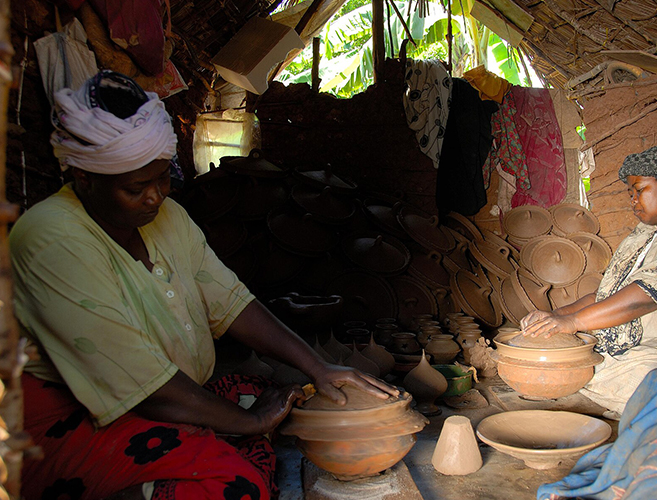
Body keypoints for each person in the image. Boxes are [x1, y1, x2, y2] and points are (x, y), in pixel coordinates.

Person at [10, 71, 397, 500]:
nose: (156, 196)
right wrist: (250, 423)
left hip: (165, 396)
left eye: (162, 178)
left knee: (269, 396)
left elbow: (232, 304)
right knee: (236, 486)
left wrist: (319, 368)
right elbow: (140, 386)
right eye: (136, 187)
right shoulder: (51, 239)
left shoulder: (168, 219)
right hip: (72, 418)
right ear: (84, 178)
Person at [521, 145, 657, 417]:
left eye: (640, 190)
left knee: (645, 378)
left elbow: (644, 298)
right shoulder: (644, 235)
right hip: (641, 332)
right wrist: (555, 316)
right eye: (630, 192)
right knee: (568, 355)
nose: (633, 200)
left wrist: (574, 322)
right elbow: (607, 295)